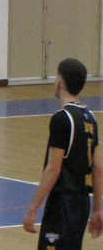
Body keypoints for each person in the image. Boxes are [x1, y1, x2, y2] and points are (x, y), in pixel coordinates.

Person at [23, 58, 103, 248]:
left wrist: (33, 208)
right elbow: (98, 168)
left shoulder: (62, 118)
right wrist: (97, 209)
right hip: (82, 203)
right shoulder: (90, 118)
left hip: (63, 203)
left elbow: (53, 169)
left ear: (59, 82)